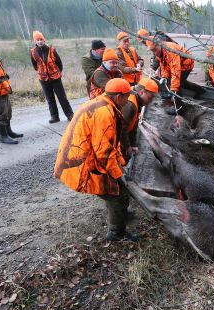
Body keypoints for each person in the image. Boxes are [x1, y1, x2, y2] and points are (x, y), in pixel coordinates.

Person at [54, 78, 139, 242]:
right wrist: (119, 173)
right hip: (81, 163)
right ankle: (116, 234)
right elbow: (104, 152)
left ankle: (120, 215)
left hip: (84, 157)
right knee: (118, 194)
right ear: (118, 96)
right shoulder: (104, 113)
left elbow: (109, 143)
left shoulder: (103, 103)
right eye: (127, 97)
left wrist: (120, 162)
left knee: (114, 190)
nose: (128, 101)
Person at [148, 39, 206, 113]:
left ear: (158, 45)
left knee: (176, 85)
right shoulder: (160, 52)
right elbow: (164, 66)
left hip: (186, 65)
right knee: (181, 82)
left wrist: (173, 89)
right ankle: (200, 90)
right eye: (152, 51)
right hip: (179, 65)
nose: (154, 53)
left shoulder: (171, 51)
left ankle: (180, 109)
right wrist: (164, 76)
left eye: (155, 50)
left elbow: (176, 72)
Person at [30, 30, 74, 123]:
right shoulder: (33, 52)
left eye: (41, 39)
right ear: (35, 41)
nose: (40, 41)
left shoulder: (52, 50)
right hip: (43, 79)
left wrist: (57, 72)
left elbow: (59, 63)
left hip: (55, 78)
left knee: (62, 97)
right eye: (37, 40)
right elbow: (35, 65)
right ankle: (55, 117)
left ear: (44, 40)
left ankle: (70, 115)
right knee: (50, 98)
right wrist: (42, 72)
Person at [120, 77, 158, 160]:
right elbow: (121, 130)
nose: (150, 102)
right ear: (141, 92)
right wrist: (127, 147)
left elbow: (133, 125)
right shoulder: (130, 105)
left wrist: (133, 144)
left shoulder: (137, 100)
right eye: (149, 98)